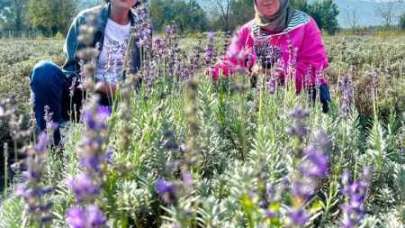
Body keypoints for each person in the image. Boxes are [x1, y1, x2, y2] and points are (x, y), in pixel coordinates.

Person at [30, 0, 142, 145]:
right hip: (84, 96)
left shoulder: (142, 27)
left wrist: (114, 89)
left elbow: (139, 79)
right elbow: (75, 71)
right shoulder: (87, 19)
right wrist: (102, 86)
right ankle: (53, 149)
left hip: (119, 102)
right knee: (44, 72)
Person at [211, 0, 331, 112]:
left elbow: (315, 68)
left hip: (305, 100)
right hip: (262, 101)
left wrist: (277, 74)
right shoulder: (247, 30)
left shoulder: (305, 24)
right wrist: (213, 72)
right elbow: (231, 62)